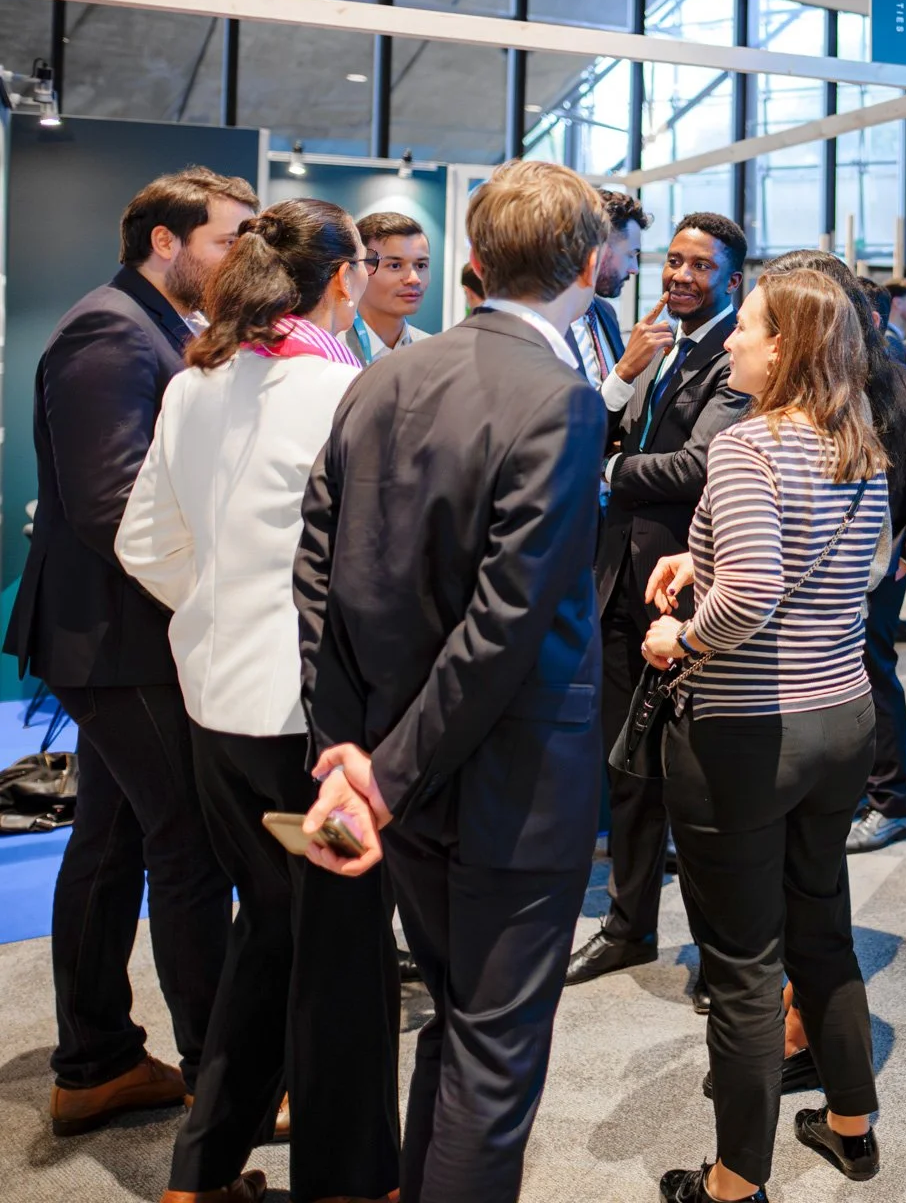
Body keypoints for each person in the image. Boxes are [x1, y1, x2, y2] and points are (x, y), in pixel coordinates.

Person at [294, 159, 610, 1203]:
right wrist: (379, 771)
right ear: (592, 267)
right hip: (505, 785)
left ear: (471, 262)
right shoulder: (560, 397)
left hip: (396, 765)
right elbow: (506, 623)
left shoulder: (376, 374)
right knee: (494, 1048)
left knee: (456, 1024)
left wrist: (347, 747)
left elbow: (318, 572)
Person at [116, 198, 397, 1203]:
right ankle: (351, 1181)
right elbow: (378, 572)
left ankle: (202, 1170)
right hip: (313, 726)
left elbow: (142, 544)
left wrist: (218, 608)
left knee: (271, 932)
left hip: (216, 704)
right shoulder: (344, 387)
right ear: (340, 277)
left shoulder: (197, 383)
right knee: (343, 957)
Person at [3, 167, 256, 1138]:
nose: (241, 257)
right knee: (186, 839)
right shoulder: (111, 330)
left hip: (123, 635)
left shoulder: (149, 324)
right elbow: (111, 506)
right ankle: (219, 1078)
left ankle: (95, 1060)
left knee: (109, 845)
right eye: (228, 237)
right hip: (115, 637)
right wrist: (215, 602)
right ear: (166, 239)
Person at [639, 266, 889, 1203]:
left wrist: (679, 636)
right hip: (840, 719)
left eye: (747, 326)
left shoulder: (747, 447)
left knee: (743, 968)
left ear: (786, 346)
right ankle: (851, 1127)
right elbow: (855, 574)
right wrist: (698, 556)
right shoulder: (858, 444)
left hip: (745, 734)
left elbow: (751, 590)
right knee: (822, 927)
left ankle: (734, 1184)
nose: (733, 340)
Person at [569, 211, 750, 993]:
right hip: (619, 581)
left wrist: (610, 472)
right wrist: (622, 386)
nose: (679, 275)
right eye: (672, 261)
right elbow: (603, 426)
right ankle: (628, 926)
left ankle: (719, 951)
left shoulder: (740, 355)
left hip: (687, 589)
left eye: (699, 267)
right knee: (630, 769)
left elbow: (700, 466)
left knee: (696, 777)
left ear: (732, 282)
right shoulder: (652, 342)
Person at [755, 252, 906, 859]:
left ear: (868, 317)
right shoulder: (829, 390)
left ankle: (891, 802)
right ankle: (848, 792)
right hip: (821, 562)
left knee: (874, 672)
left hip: (877, 566)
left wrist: (904, 558)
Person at [568, 188, 654, 393]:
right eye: (630, 254)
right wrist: (624, 371)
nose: (635, 269)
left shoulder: (606, 312)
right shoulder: (548, 320)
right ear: (599, 250)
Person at [341, 210, 430, 362]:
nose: (414, 279)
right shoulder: (332, 352)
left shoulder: (432, 352)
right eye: (395, 265)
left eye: (421, 265)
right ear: (357, 270)